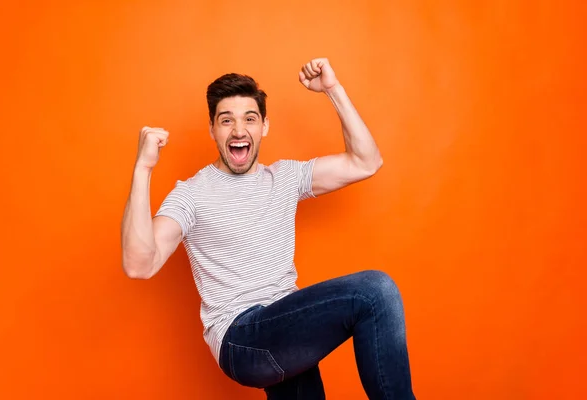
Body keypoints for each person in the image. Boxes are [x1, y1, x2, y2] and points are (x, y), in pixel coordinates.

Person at [121, 58, 416, 400]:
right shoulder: (191, 195)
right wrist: (143, 168)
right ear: (213, 130)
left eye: (249, 119)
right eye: (226, 120)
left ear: (264, 127)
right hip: (242, 338)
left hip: (286, 326)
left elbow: (366, 161)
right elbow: (139, 263)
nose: (238, 130)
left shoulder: (286, 178)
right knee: (375, 291)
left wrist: (333, 90)